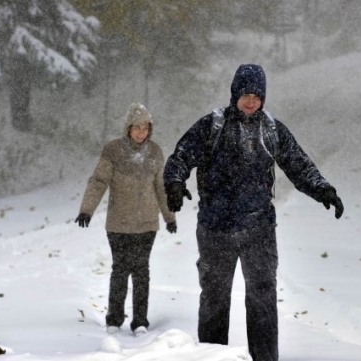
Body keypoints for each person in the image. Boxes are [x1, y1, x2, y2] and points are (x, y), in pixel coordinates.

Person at [163, 64, 344, 361]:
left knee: (262, 299)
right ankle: (212, 356)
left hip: (258, 229)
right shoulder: (213, 126)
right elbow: (181, 155)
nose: (251, 101)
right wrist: (173, 182)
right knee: (214, 299)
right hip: (215, 229)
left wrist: (322, 189)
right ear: (235, 93)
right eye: (246, 94)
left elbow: (298, 164)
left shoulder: (271, 130)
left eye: (257, 96)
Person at [75, 102, 177, 337]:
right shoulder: (113, 151)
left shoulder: (155, 152)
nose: (141, 132)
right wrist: (86, 210)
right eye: (136, 127)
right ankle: (114, 319)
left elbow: (161, 187)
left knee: (141, 270)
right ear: (128, 128)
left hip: (146, 225)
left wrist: (169, 216)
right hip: (119, 224)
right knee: (120, 269)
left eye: (145, 127)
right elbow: (98, 181)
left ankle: (140, 321)